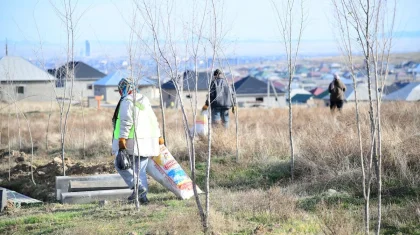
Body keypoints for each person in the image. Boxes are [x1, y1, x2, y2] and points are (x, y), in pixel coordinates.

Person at [112, 77, 164, 204]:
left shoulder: (127, 101)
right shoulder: (143, 100)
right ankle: (143, 199)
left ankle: (138, 188)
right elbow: (153, 119)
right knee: (140, 171)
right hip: (147, 141)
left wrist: (121, 140)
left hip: (132, 141)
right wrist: (158, 136)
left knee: (120, 165)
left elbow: (125, 122)